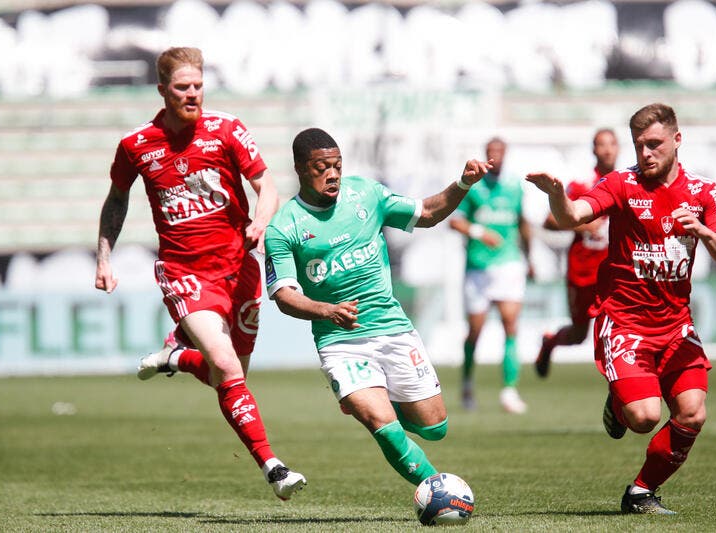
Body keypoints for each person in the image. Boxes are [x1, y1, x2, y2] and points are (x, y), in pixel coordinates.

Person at [94, 46, 306, 501]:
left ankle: (176, 356)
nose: (193, 95)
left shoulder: (227, 129)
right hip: (184, 272)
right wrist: (104, 257)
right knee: (226, 364)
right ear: (162, 90)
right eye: (182, 88)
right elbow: (117, 200)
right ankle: (273, 466)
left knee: (224, 378)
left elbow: (266, 186)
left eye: (198, 86)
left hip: (239, 267)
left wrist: (261, 220)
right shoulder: (136, 145)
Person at [526, 103, 716, 515]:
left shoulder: (704, 192)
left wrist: (704, 231)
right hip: (625, 323)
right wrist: (556, 196)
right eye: (639, 145)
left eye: (654, 144)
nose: (646, 154)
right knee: (643, 417)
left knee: (692, 415)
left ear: (677, 140)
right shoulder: (621, 183)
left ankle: (641, 492)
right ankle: (621, 400)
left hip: (676, 326)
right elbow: (574, 215)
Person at [264, 127, 491, 488]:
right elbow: (283, 295)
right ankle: (437, 489)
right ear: (300, 169)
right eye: (322, 167)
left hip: (393, 328)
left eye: (337, 165)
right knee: (381, 423)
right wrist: (325, 310)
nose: (333, 174)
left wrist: (462, 184)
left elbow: (428, 212)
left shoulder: (366, 194)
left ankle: (362, 398)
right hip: (341, 341)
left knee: (435, 427)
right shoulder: (284, 227)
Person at [448, 137, 533, 413]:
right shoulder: (474, 189)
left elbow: (523, 224)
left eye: (499, 152)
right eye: (491, 153)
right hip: (478, 267)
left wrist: (530, 259)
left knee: (511, 326)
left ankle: (509, 390)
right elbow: (455, 221)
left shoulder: (515, 187)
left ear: (505, 154)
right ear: (486, 155)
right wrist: (479, 232)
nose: (495, 157)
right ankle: (467, 385)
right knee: (475, 331)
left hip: (509, 264)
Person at [535, 129, 618, 378]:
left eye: (612, 144)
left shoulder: (625, 183)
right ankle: (550, 342)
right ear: (593, 150)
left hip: (613, 272)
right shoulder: (582, 183)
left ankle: (621, 384)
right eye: (601, 145)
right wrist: (584, 225)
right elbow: (550, 220)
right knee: (579, 335)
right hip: (582, 272)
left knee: (615, 329)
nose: (607, 150)